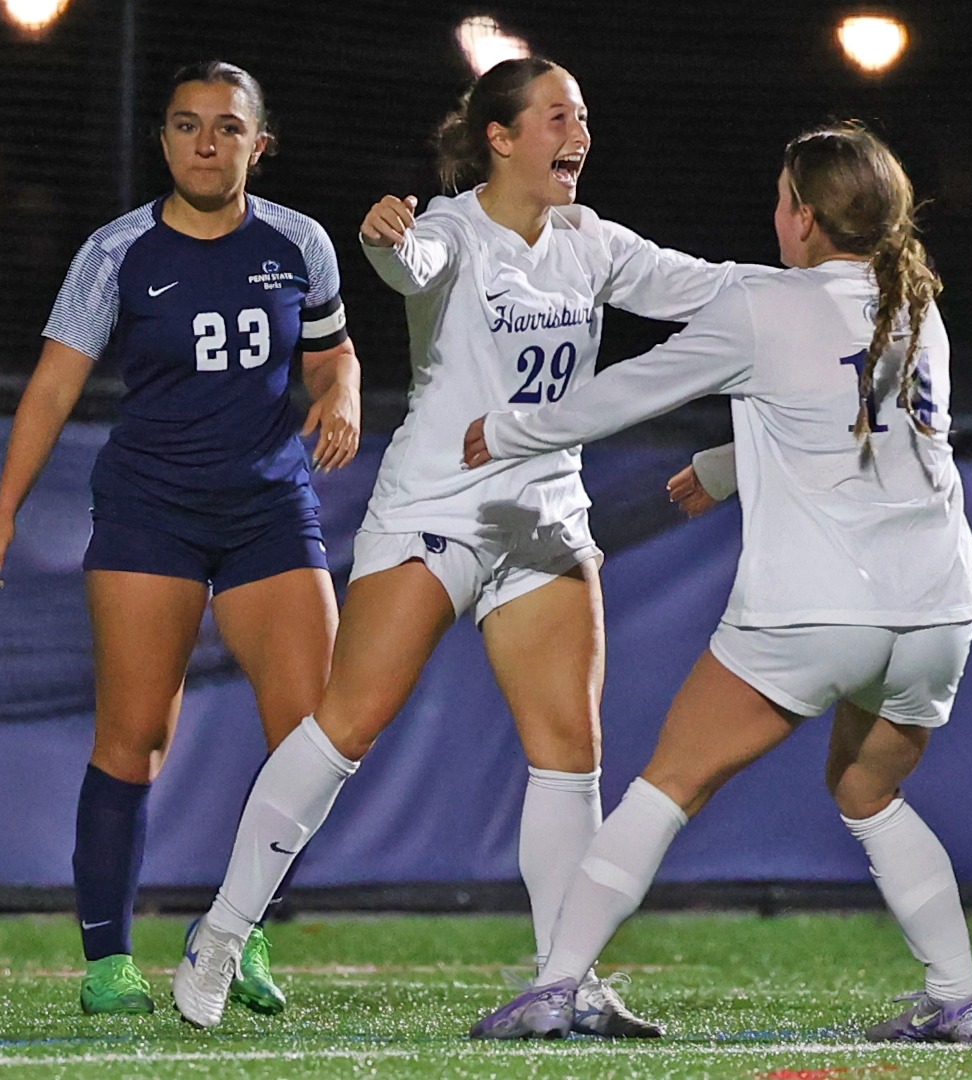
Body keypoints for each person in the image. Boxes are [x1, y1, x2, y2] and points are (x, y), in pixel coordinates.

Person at [171, 57, 753, 1034]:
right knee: (346, 725)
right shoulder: (449, 228)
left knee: (570, 755)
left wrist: (824, 293)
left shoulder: (590, 240)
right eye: (561, 116)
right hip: (439, 510)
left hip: (545, 520)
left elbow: (715, 287)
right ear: (502, 135)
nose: (582, 134)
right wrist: (383, 238)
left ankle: (563, 980)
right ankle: (224, 930)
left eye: (584, 115)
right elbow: (411, 265)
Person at [461, 122, 972, 1043]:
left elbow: (636, 387)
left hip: (818, 609)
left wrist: (511, 430)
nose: (775, 212)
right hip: (941, 611)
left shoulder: (767, 305)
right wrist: (729, 464)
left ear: (806, 218)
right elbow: (854, 420)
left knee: (668, 784)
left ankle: (555, 985)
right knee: (868, 794)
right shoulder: (915, 304)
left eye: (784, 196)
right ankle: (958, 999)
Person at [0, 60, 361, 1017]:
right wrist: (5, 507)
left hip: (271, 514)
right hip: (152, 516)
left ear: (258, 144)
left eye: (227, 127)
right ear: (164, 141)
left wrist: (341, 391)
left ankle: (236, 937)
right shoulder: (117, 252)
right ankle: (108, 961)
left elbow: (331, 350)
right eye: (186, 126)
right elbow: (56, 383)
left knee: (310, 744)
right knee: (136, 741)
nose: (204, 143)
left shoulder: (299, 242)